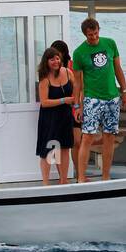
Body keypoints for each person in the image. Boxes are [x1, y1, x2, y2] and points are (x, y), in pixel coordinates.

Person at [72, 18, 126, 182]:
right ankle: (81, 178)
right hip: (92, 99)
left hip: (112, 98)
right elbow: (77, 82)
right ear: (85, 34)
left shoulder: (110, 44)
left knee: (109, 137)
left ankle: (106, 176)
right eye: (90, 35)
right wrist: (77, 105)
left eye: (95, 33)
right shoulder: (79, 53)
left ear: (99, 30)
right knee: (87, 137)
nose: (93, 37)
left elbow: (118, 69)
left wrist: (124, 91)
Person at [35, 47, 76, 185]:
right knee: (49, 149)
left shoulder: (67, 72)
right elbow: (44, 102)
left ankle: (63, 180)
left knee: (65, 148)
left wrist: (77, 105)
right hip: (49, 118)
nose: (55, 61)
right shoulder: (44, 78)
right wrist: (64, 100)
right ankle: (45, 183)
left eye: (57, 58)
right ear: (46, 61)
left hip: (65, 116)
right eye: (52, 59)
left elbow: (77, 88)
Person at [50, 38, 82, 181]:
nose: (55, 58)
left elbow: (79, 86)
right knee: (58, 143)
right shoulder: (50, 68)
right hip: (57, 110)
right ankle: (62, 176)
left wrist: (78, 103)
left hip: (73, 108)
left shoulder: (71, 66)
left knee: (76, 141)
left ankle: (79, 173)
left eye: (58, 54)